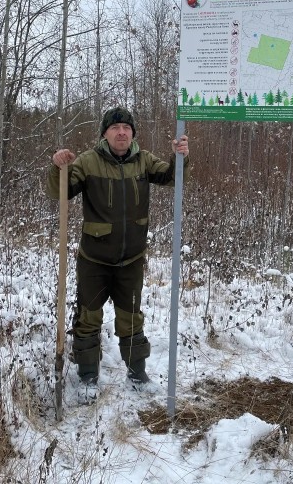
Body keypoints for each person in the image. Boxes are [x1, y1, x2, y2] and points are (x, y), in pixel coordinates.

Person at [47, 106, 189, 387]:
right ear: (105, 134)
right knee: (88, 318)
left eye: (126, 128)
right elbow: (59, 192)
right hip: (94, 260)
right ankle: (88, 377)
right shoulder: (88, 162)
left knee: (131, 318)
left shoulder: (144, 160)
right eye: (115, 128)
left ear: (132, 133)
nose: (121, 132)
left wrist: (179, 157)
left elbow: (172, 177)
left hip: (131, 260)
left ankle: (137, 374)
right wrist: (58, 167)